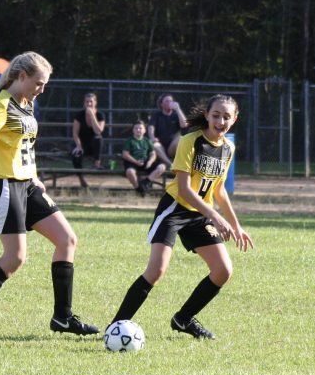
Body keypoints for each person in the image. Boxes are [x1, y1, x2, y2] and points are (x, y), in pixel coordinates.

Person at [0, 51, 97, 346]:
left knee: (67, 240)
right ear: (22, 76)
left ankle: (62, 317)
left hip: (27, 184)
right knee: (15, 258)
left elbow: (25, 144)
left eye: (45, 85)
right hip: (2, 184)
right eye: (38, 83)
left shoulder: (27, 103)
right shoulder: (1, 103)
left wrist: (35, 175)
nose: (42, 89)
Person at [108, 95, 254, 340]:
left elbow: (218, 190)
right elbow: (185, 189)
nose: (220, 120)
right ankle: (115, 327)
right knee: (156, 271)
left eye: (226, 116)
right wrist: (216, 218)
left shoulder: (228, 148)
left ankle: (183, 320)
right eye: (216, 114)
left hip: (200, 215)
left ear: (235, 119)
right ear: (207, 115)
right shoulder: (190, 141)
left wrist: (236, 226)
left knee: (222, 271)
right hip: (175, 209)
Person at [122, 119, 167, 196]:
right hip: (133, 162)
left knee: (162, 167)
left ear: (144, 130)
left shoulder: (147, 141)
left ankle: (145, 182)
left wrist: (150, 162)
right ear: (133, 130)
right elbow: (125, 154)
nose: (138, 130)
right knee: (130, 172)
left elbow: (153, 154)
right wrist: (136, 162)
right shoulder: (129, 141)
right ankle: (139, 190)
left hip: (146, 162)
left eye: (140, 128)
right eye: (136, 128)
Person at [71, 92, 106, 187]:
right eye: (87, 102)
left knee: (98, 138)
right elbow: (75, 133)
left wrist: (92, 116)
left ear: (95, 102)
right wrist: (78, 146)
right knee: (75, 156)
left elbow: (98, 131)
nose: (89, 104)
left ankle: (97, 163)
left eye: (91, 102)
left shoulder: (100, 115)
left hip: (94, 146)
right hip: (81, 144)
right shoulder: (79, 115)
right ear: (84, 103)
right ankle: (81, 179)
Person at [148, 93, 189, 167]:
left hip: (172, 148)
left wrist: (178, 109)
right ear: (161, 104)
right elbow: (151, 128)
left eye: (171, 101)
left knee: (181, 138)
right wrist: (152, 138)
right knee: (155, 146)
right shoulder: (156, 115)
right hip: (161, 147)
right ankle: (170, 164)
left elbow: (184, 125)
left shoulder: (176, 115)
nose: (170, 103)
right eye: (167, 101)